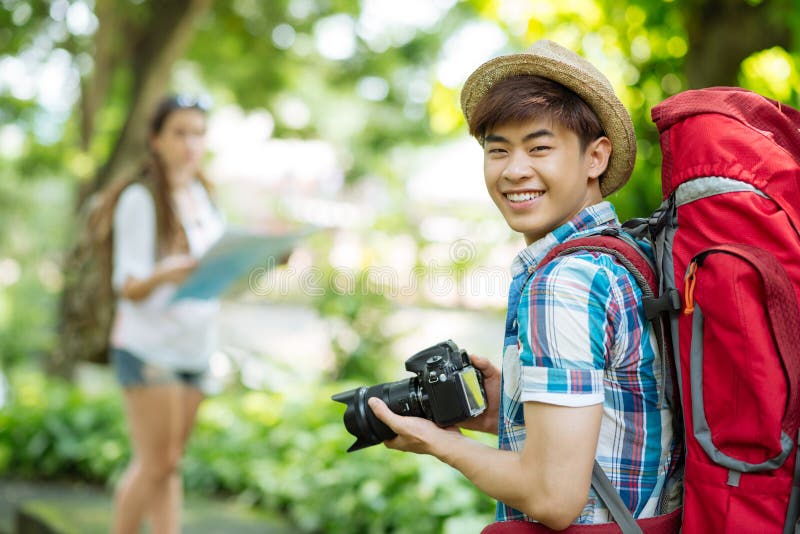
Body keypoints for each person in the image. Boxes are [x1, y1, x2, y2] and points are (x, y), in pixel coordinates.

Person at [368, 40, 682, 529]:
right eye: (498, 151)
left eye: (539, 148)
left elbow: (554, 497)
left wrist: (440, 443)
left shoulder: (564, 282)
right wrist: (506, 405)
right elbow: (626, 419)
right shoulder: (628, 258)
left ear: (596, 156)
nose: (514, 170)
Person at [109, 95, 225, 534]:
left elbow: (216, 271)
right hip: (148, 349)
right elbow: (128, 285)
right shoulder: (140, 199)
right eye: (179, 132)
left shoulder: (203, 196)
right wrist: (168, 273)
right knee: (154, 463)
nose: (190, 143)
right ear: (156, 140)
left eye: (198, 133)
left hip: (195, 349)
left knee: (169, 465)